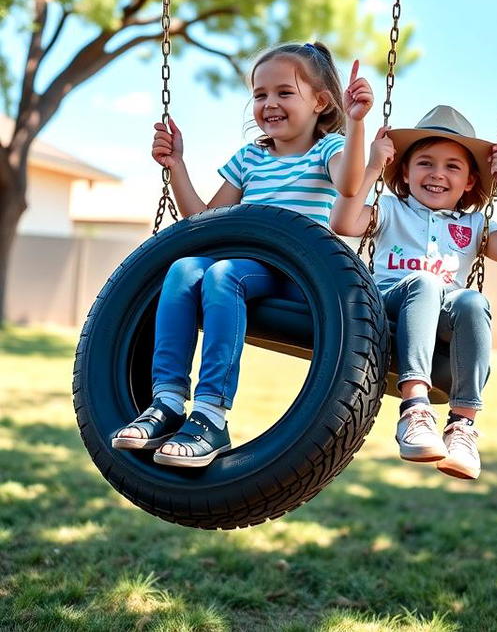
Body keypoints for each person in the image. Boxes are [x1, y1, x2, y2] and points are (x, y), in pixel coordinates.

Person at [112, 41, 373, 468]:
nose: (269, 103)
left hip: (301, 275)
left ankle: (212, 415)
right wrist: (176, 165)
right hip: (247, 268)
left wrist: (358, 124)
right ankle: (168, 401)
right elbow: (204, 220)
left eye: (284, 93)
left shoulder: (326, 151)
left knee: (223, 274)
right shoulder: (250, 157)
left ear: (321, 102)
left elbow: (349, 184)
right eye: (260, 94)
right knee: (182, 269)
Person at [330, 105, 497, 480]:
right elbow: (343, 222)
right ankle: (414, 409)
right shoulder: (390, 209)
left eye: (452, 167)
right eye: (425, 163)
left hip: (441, 317)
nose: (437, 174)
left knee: (473, 301)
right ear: (406, 172)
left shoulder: (475, 225)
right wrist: (372, 168)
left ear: (470, 183)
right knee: (425, 283)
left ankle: (462, 427)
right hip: (387, 307)